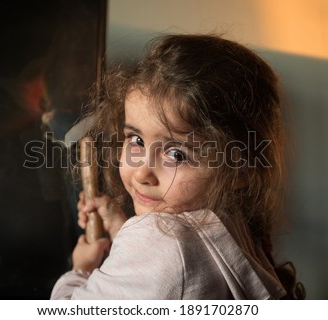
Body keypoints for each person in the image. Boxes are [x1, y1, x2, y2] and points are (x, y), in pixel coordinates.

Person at [51, 34, 305, 299]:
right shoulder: (229, 217)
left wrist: (81, 269)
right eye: (136, 140)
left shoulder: (159, 247)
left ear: (239, 171)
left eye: (176, 154)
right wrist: (120, 228)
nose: (141, 173)